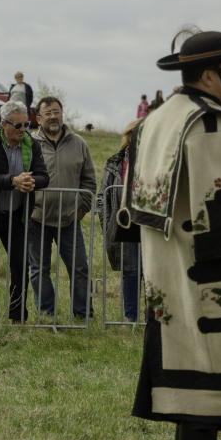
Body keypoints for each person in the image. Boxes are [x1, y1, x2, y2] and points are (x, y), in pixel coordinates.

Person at [118, 30, 221, 440]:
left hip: (170, 271)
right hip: (219, 273)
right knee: (217, 379)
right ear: (208, 75)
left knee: (193, 373)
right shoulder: (217, 128)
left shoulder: (160, 118)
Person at [0, 101, 49, 324]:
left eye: (26, 124)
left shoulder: (32, 145)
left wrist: (30, 181)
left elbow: (44, 176)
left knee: (19, 266)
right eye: (18, 125)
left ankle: (17, 318)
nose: (23, 129)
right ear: (4, 124)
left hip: (16, 216)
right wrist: (13, 181)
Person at [28, 96, 97, 320]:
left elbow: (89, 181)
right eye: (47, 113)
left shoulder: (79, 143)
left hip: (69, 220)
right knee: (39, 270)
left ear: (62, 114)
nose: (53, 116)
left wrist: (81, 210)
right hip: (36, 218)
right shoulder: (29, 144)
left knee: (79, 269)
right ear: (38, 118)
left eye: (56, 111)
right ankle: (47, 313)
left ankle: (82, 313)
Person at [97, 118, 143, 322]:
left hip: (150, 223)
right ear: (129, 136)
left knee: (154, 272)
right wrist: (107, 225)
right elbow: (102, 197)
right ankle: (130, 318)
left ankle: (154, 317)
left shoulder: (157, 159)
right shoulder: (115, 162)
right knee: (130, 271)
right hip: (124, 223)